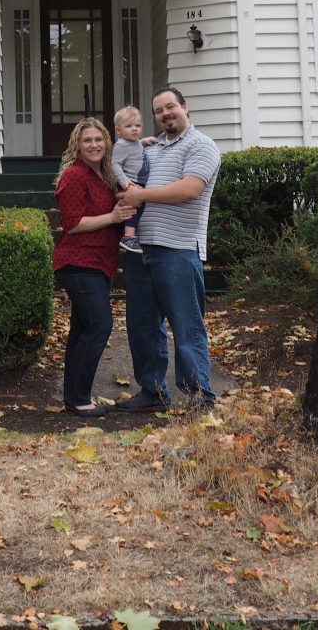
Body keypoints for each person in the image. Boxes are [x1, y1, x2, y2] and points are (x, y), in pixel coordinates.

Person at [114, 86, 221, 412]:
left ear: (185, 108)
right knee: (143, 327)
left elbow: (190, 189)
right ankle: (153, 394)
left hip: (178, 250)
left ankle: (200, 398)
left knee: (187, 327)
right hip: (139, 250)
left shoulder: (202, 145)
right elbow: (121, 165)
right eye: (159, 111)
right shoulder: (149, 147)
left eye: (170, 107)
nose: (165, 114)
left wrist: (141, 196)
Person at [52, 117, 135, 418]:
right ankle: (79, 398)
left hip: (98, 263)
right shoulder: (75, 175)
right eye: (87, 140)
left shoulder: (103, 174)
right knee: (100, 325)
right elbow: (73, 225)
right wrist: (113, 218)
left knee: (82, 329)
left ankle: (74, 397)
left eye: (99, 140)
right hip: (78, 262)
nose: (94, 144)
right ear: (77, 144)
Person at [111, 104, 156, 255]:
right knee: (134, 208)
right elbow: (115, 164)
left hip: (138, 180)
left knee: (139, 206)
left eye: (138, 125)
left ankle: (130, 234)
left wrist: (144, 141)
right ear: (119, 130)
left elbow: (137, 147)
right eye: (129, 126)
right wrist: (123, 181)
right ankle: (128, 236)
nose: (134, 129)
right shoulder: (121, 145)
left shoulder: (134, 142)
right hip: (129, 181)